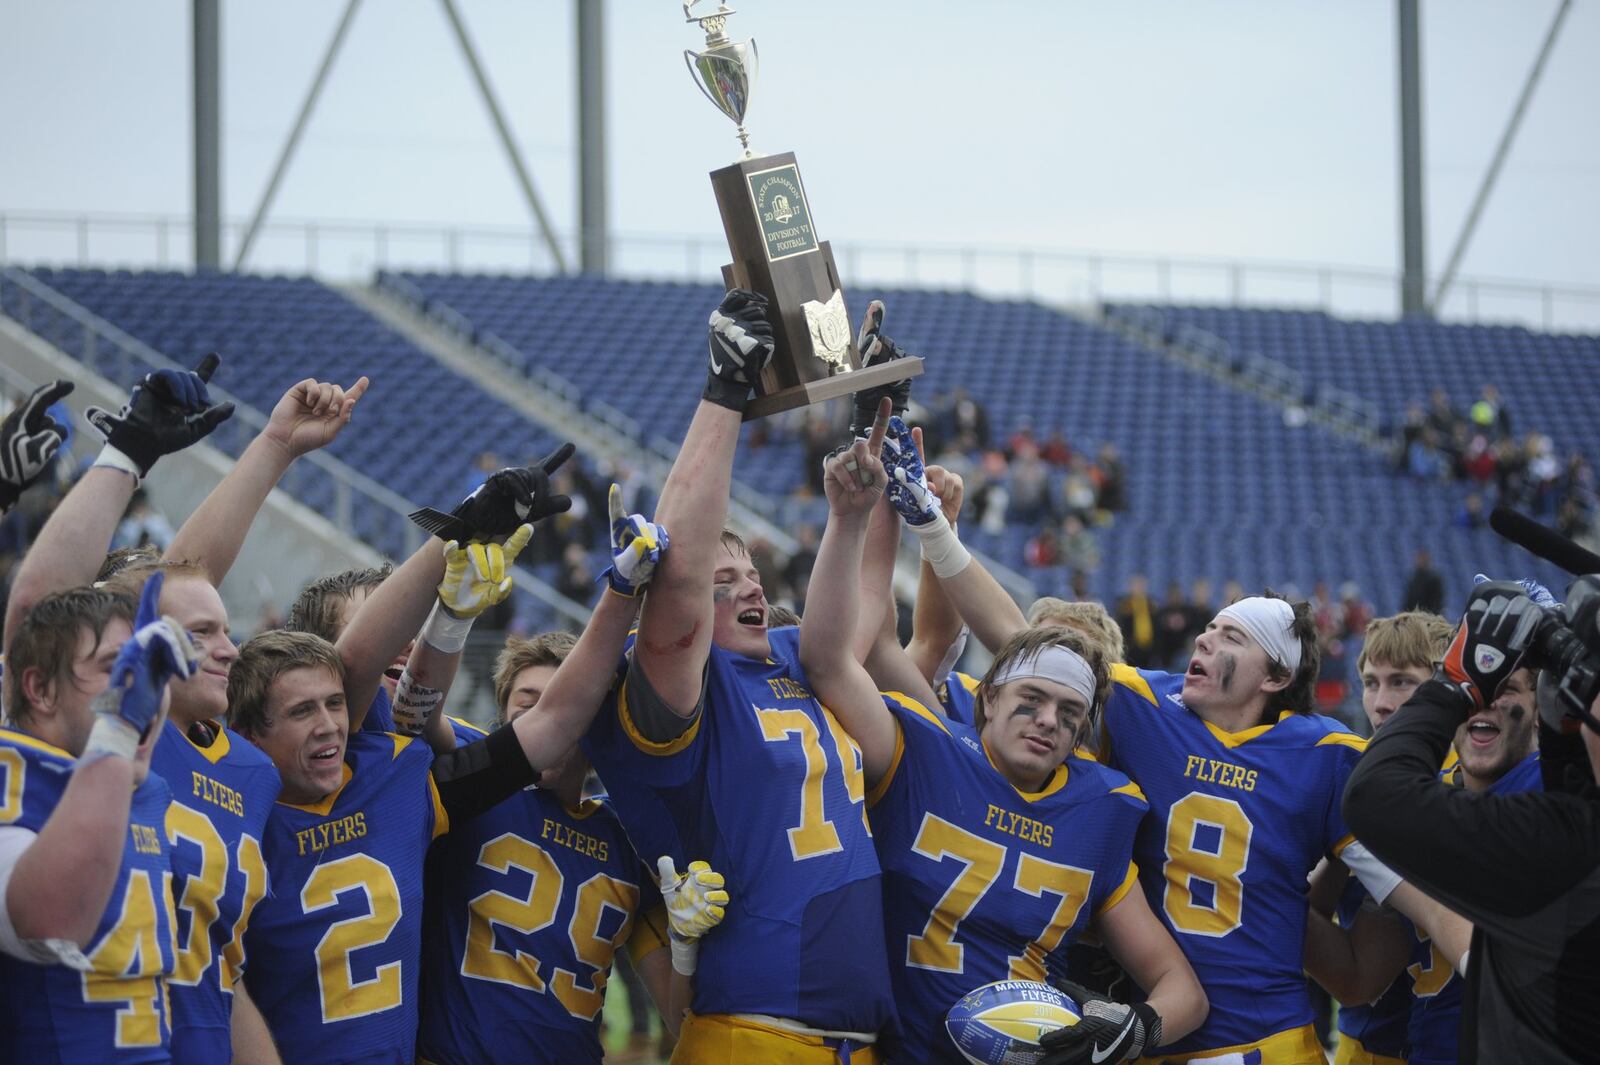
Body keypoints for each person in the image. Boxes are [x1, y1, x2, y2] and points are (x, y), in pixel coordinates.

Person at [874, 425, 1369, 1062]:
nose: (1203, 643)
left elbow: (1394, 882)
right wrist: (932, 531)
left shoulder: (1322, 752)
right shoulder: (1134, 714)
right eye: (1208, 630)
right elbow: (982, 643)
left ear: (1276, 677)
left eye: (1231, 639)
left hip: (1258, 1035)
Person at [800, 431, 1206, 1064]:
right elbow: (851, 652)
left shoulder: (1104, 806)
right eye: (1032, 700)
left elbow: (1182, 989)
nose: (1048, 720)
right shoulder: (926, 747)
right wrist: (883, 506)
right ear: (987, 695)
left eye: (1069, 712)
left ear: (1085, 730)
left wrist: (1131, 1034)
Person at [9, 368, 367, 1064]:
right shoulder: (106, 730)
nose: (225, 648)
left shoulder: (238, 771)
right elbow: (54, 616)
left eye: (223, 629)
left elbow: (218, 973)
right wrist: (268, 447)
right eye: (198, 634)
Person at [581, 290, 897, 1061]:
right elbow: (678, 585)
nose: (750, 587)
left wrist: (859, 487)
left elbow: (858, 619)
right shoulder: (679, 689)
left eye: (750, 572)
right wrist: (725, 391)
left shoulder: (796, 657)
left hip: (853, 1037)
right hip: (754, 1030)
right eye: (726, 585)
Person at [413, 491, 700, 1065]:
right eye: (525, 703)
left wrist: (688, 946)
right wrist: (451, 620)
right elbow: (415, 714)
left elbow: (676, 1011)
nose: (537, 717)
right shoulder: (473, 775)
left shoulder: (627, 839)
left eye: (557, 704)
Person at [1344, 580, 1599, 1063]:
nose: (1481, 699)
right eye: (1371, 682)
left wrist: (1459, 681)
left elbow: (1374, 797)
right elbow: (1357, 980)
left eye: (1502, 684)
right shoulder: (1448, 796)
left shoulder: (1544, 813)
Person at [0, 579, 194, 1059]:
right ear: (41, 689)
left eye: (149, 669)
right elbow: (52, 923)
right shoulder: (18, 772)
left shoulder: (146, 790)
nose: (141, 689)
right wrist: (118, 724)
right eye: (116, 668)